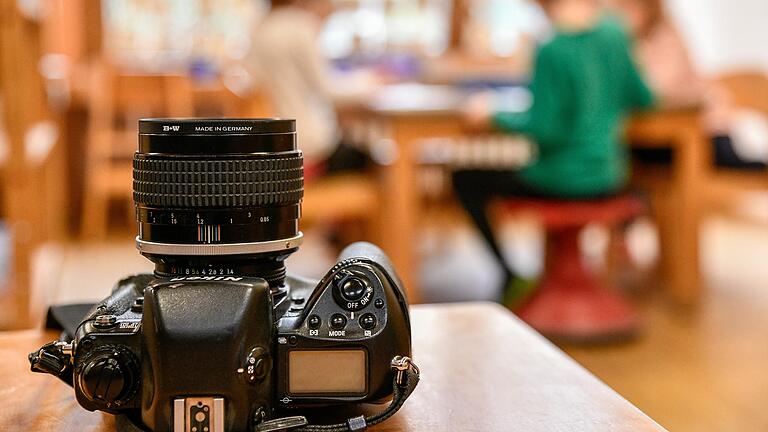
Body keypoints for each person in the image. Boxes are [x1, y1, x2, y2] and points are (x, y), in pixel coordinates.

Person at [454, 0, 654, 303]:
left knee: (465, 179)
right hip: (611, 175)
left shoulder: (551, 48)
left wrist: (494, 115)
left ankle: (510, 274)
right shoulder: (615, 33)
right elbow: (644, 98)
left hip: (562, 180)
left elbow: (546, 131)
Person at [608, 0, 768, 169]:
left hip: (693, 128)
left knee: (716, 110)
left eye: (628, 9)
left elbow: (660, 88)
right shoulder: (614, 41)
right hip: (647, 133)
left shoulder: (664, 38)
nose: (621, 17)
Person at [246, 0, 377, 178]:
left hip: (277, 145)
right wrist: (369, 82)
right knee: (375, 160)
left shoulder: (259, 29)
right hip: (312, 148)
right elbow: (328, 90)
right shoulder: (300, 26)